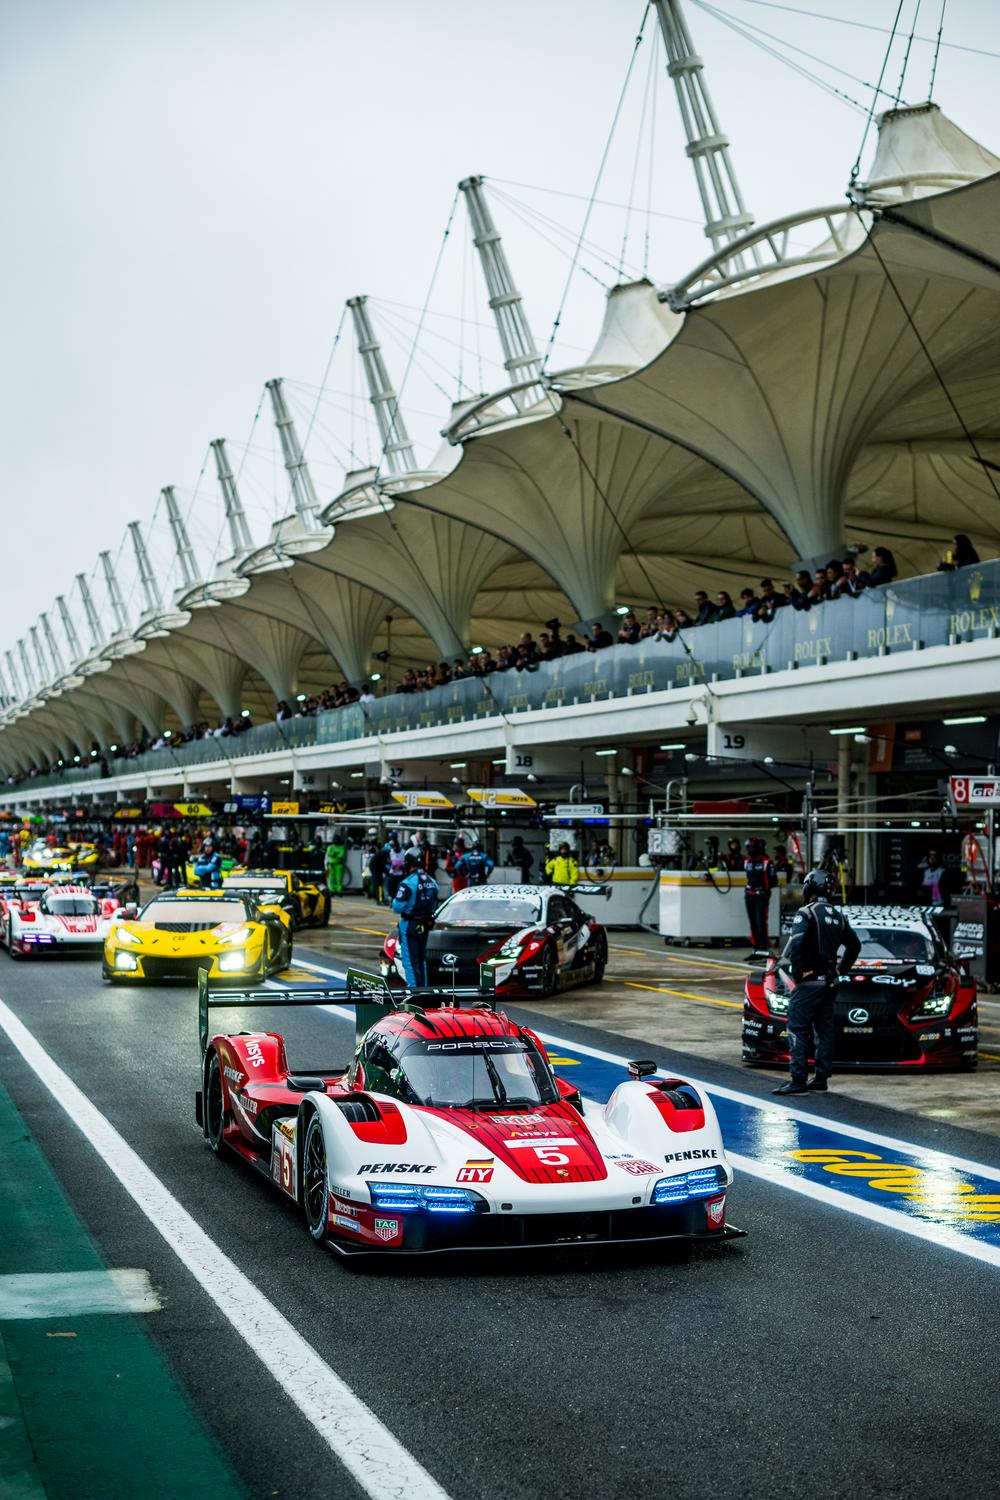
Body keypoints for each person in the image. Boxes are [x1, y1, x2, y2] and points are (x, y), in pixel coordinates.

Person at [774, 869, 860, 1095]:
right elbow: (855, 946)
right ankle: (821, 1079)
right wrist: (840, 970)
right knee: (824, 1031)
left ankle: (798, 1080)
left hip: (810, 981)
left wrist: (799, 972)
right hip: (829, 982)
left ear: (810, 886)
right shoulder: (839, 916)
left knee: (797, 1028)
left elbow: (797, 944)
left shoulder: (806, 912)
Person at [390, 850, 440, 988]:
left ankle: (414, 993)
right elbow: (437, 891)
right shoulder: (431, 880)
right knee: (421, 959)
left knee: (410, 961)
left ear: (409, 864)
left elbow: (397, 907)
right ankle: (423, 990)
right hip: (425, 923)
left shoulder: (407, 883)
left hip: (409, 924)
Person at [743, 837, 776, 953]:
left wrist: (764, 891)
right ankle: (756, 947)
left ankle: (763, 947)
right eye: (748, 848)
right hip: (749, 895)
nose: (750, 850)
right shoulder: (746, 861)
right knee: (752, 923)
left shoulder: (766, 861)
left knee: (760, 922)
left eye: (751, 847)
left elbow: (773, 880)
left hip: (761, 896)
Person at [324, 830, 347, 898]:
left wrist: (334, 854)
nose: (336, 841)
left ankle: (339, 891)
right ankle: (332, 891)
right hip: (332, 865)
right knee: (331, 879)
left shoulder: (341, 847)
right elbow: (329, 853)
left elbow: (341, 855)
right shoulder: (330, 847)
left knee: (339, 879)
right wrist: (335, 854)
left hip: (339, 865)